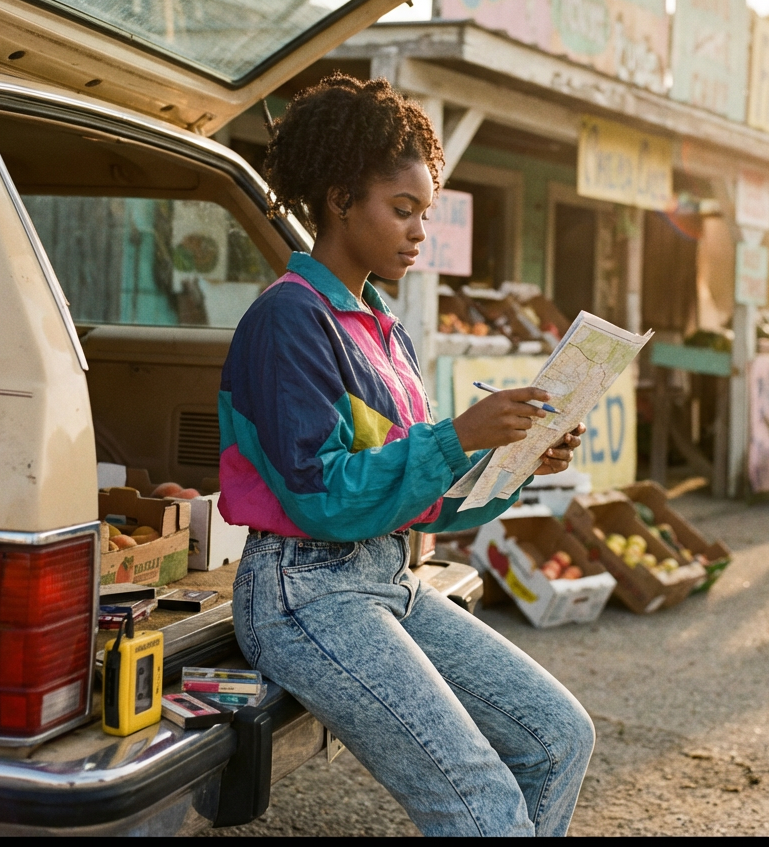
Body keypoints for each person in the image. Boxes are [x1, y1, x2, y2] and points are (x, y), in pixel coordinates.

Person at [218, 74, 595, 836]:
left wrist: (514, 457)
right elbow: (324, 497)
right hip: (304, 594)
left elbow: (419, 496)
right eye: (402, 209)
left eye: (426, 211)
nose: (420, 230)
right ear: (337, 198)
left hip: (390, 578)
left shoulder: (386, 330)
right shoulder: (288, 320)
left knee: (559, 739)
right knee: (483, 804)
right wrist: (457, 436)